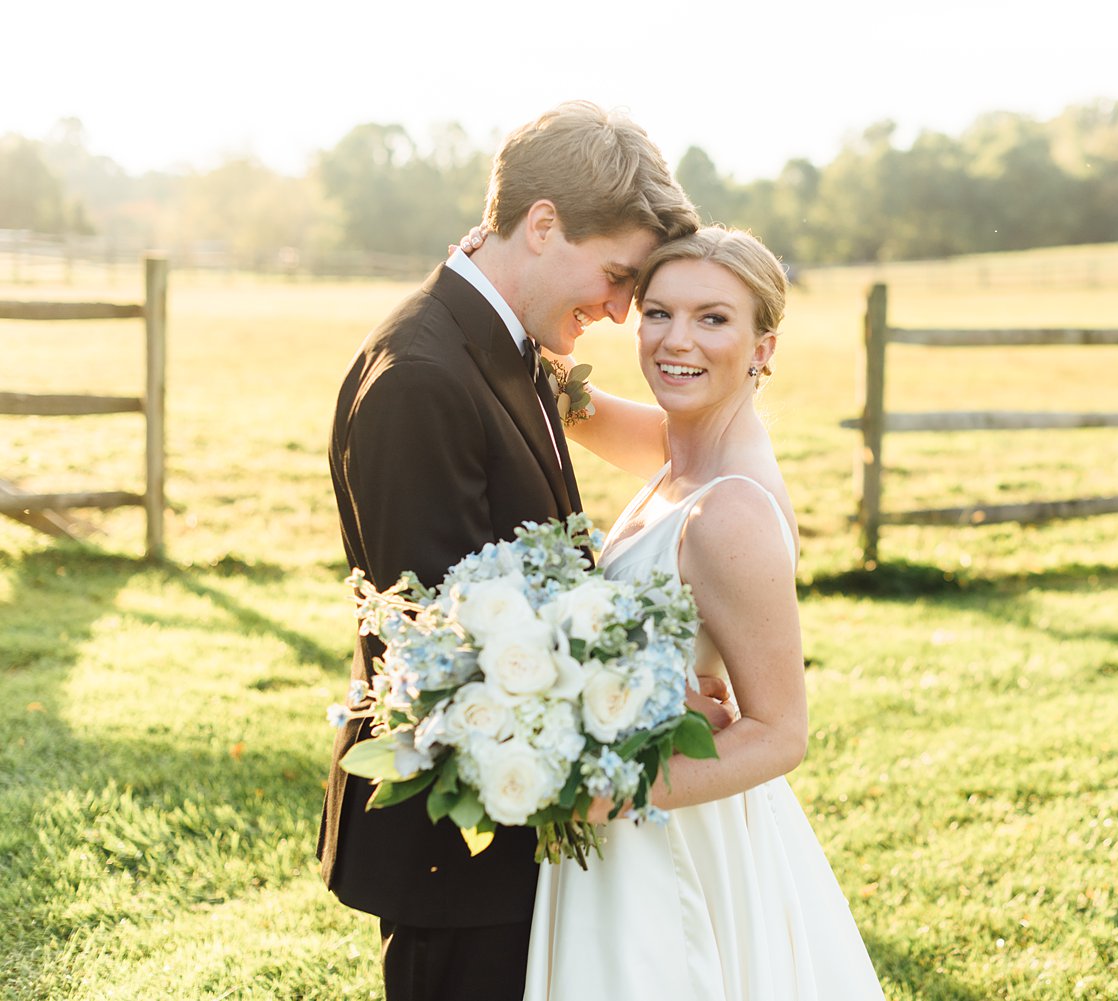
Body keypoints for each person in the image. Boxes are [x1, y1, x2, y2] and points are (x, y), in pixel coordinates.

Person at [320, 101, 715, 1001]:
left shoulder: (504, 344)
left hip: (519, 838)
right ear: (542, 224)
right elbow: (446, 648)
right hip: (458, 854)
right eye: (616, 275)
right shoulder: (421, 377)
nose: (620, 310)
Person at [463, 224, 885, 999]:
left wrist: (607, 790)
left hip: (666, 830)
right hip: (632, 813)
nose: (674, 340)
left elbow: (781, 732)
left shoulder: (728, 512)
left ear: (764, 346)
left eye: (713, 318)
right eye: (656, 312)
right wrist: (489, 262)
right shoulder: (679, 447)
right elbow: (565, 397)